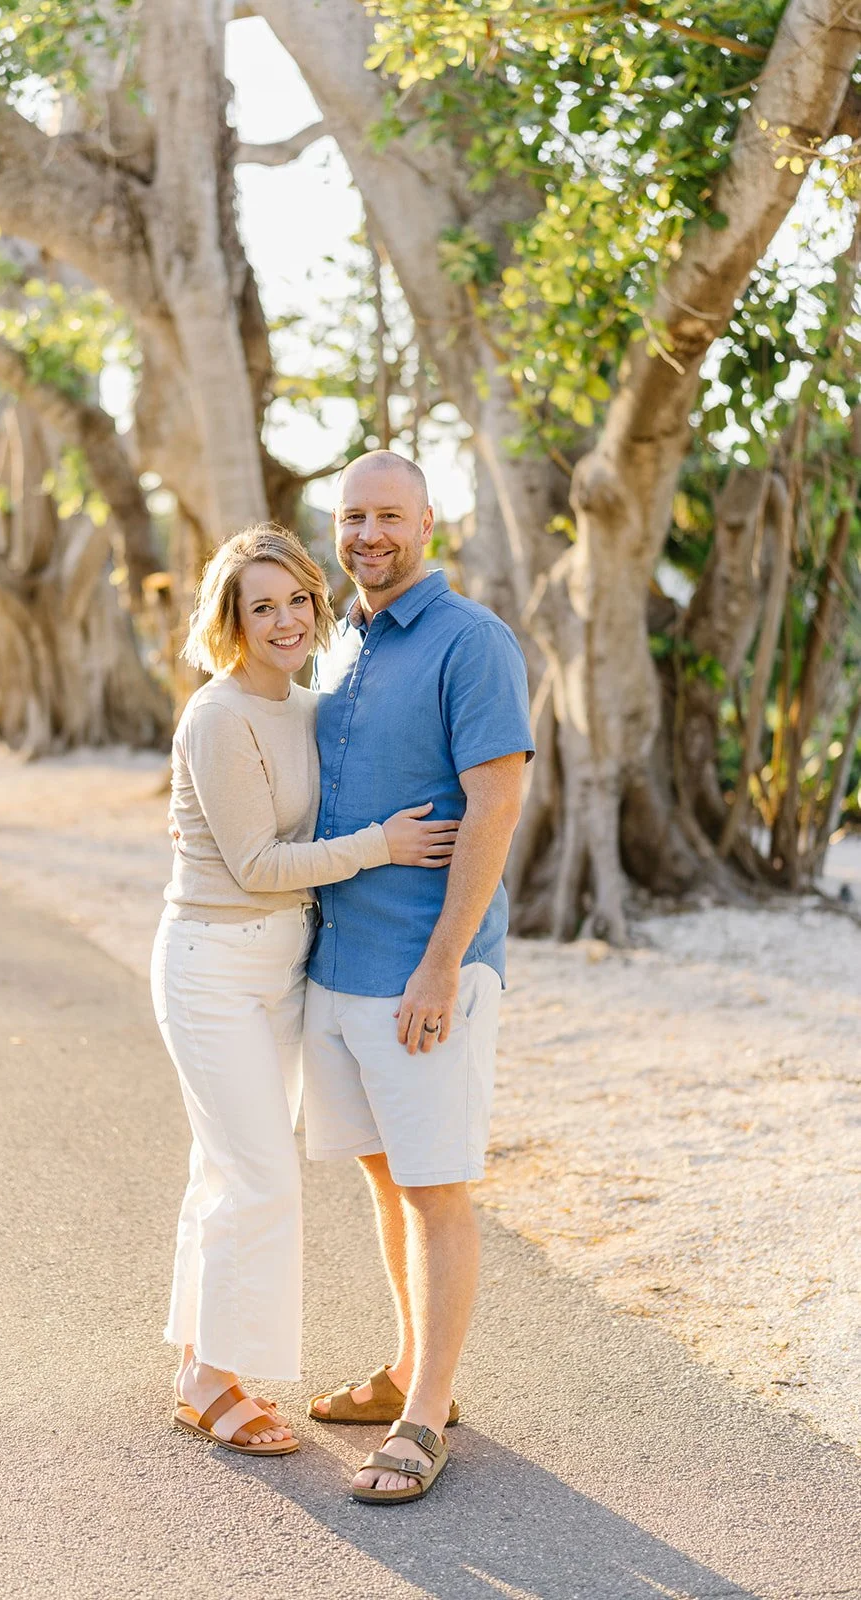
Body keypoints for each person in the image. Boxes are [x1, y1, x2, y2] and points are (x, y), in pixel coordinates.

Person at [153, 523, 459, 1457]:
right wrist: (383, 846)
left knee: (226, 1168)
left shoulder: (309, 706)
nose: (284, 620)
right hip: (211, 964)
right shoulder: (217, 715)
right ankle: (211, 1381)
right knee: (258, 1174)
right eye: (262, 605)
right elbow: (252, 862)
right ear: (230, 620)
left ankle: (197, 1363)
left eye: (296, 600)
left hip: (281, 966)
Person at [303, 451, 533, 1503]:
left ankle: (423, 1415)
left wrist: (442, 964)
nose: (366, 534)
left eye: (387, 514)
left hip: (420, 976)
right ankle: (407, 1368)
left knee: (436, 1188)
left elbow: (494, 808)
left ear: (429, 523)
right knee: (383, 1177)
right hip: (338, 969)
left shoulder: (471, 642)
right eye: (352, 515)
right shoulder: (335, 641)